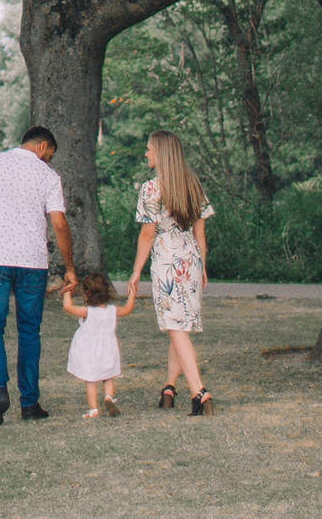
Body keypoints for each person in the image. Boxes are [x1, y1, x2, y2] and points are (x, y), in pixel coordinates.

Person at [0, 124, 76, 426]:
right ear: (44, 147)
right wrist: (70, 267)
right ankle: (30, 402)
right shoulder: (47, 176)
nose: (49, 160)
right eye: (50, 154)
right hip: (32, 262)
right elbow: (59, 224)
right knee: (29, 331)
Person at [127, 129, 215, 416]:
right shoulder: (193, 185)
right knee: (179, 325)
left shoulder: (151, 189)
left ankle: (199, 391)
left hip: (166, 261)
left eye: (149, 149)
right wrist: (202, 264)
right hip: (190, 259)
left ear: (161, 153)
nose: (146, 153)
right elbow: (201, 233)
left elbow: (147, 235)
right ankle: (169, 386)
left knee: (175, 327)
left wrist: (136, 271)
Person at [61, 273, 132, 417]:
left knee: (91, 380)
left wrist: (67, 289)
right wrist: (132, 294)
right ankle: (108, 397)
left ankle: (94, 410)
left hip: (90, 352)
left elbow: (68, 307)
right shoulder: (112, 311)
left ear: (86, 295)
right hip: (108, 349)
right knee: (108, 376)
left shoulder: (87, 312)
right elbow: (127, 309)